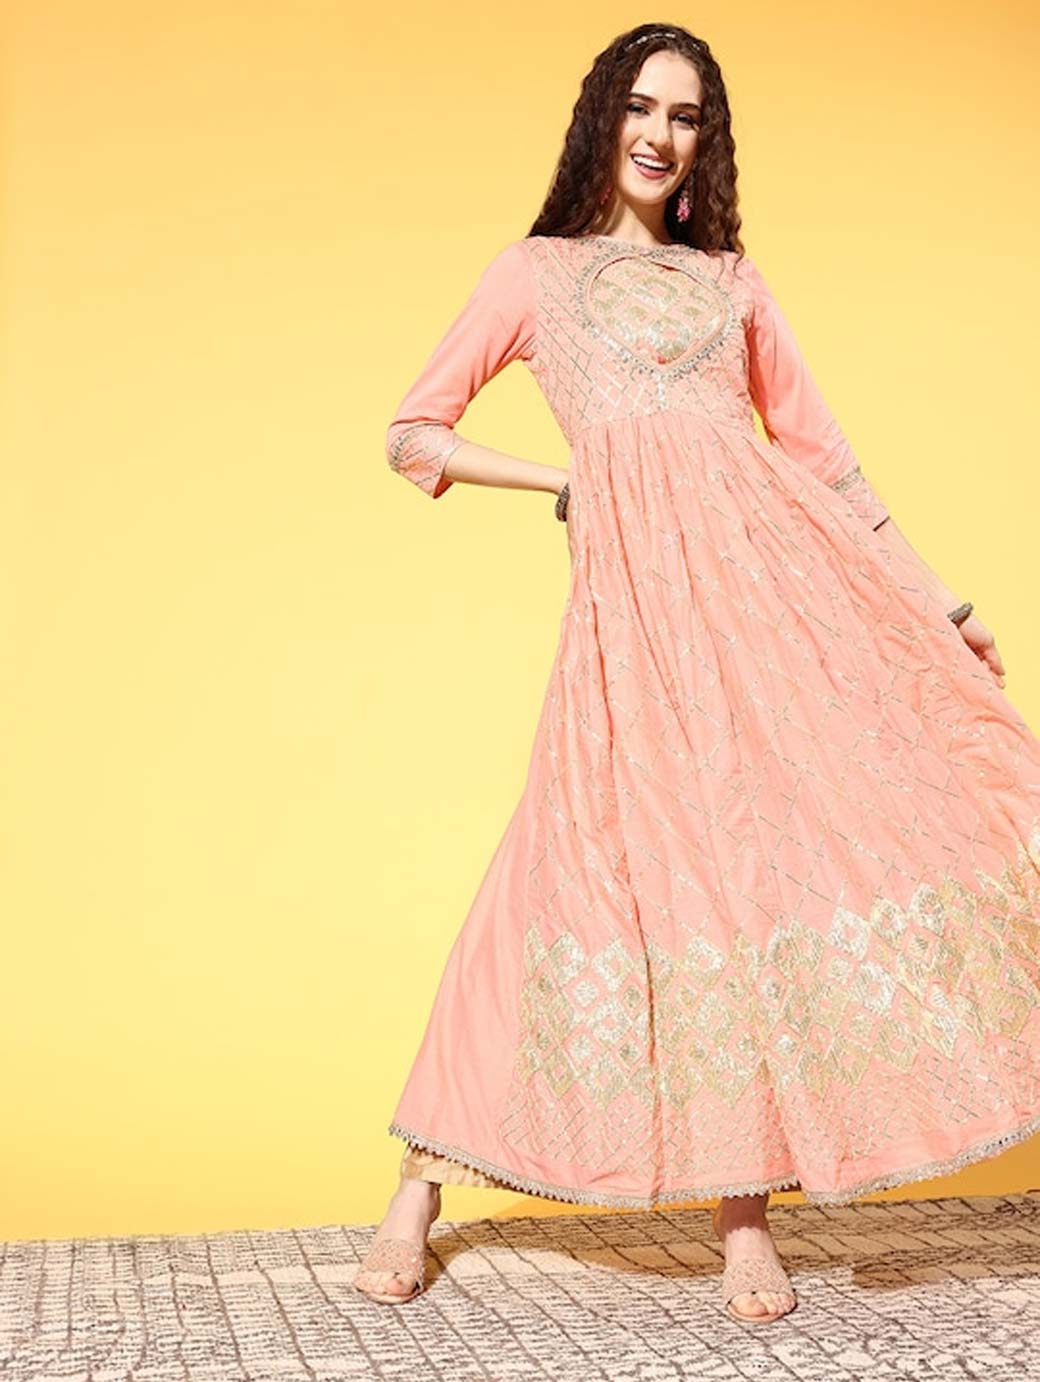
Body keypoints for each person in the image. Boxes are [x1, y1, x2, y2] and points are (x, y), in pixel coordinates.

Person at [353, 22, 1039, 1324]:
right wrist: (569, 476)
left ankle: (743, 1219)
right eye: (642, 107)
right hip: (635, 623)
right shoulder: (535, 274)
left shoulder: (733, 282)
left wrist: (938, 603)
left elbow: (826, 460)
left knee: (757, 872)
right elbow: (414, 432)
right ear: (601, 118)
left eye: (687, 117)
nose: (662, 136)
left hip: (776, 612)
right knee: (563, 867)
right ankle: (420, 1185)